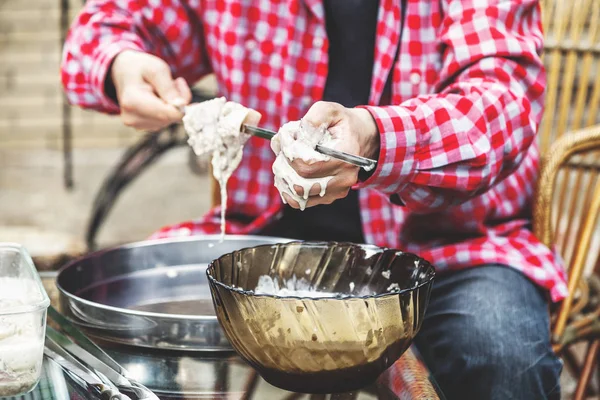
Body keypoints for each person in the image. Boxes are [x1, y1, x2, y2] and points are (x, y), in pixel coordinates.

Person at [61, 1, 565, 398]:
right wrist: (122, 64)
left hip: (450, 245)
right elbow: (104, 28)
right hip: (267, 240)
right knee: (105, 334)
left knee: (500, 355)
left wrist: (373, 139)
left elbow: (501, 105)